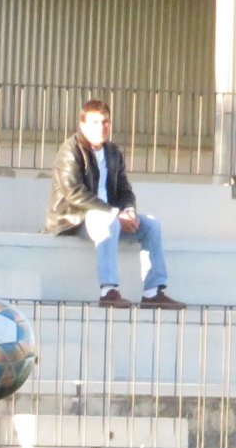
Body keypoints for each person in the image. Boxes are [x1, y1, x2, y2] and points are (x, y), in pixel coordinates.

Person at [46, 100, 186, 310]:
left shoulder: (113, 152)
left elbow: (125, 191)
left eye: (105, 122)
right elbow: (75, 195)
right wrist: (114, 213)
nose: (102, 127)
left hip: (110, 216)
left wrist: (128, 212)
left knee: (152, 226)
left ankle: (152, 292)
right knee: (108, 222)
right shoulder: (70, 151)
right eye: (95, 122)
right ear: (82, 125)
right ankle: (108, 291)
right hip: (76, 218)